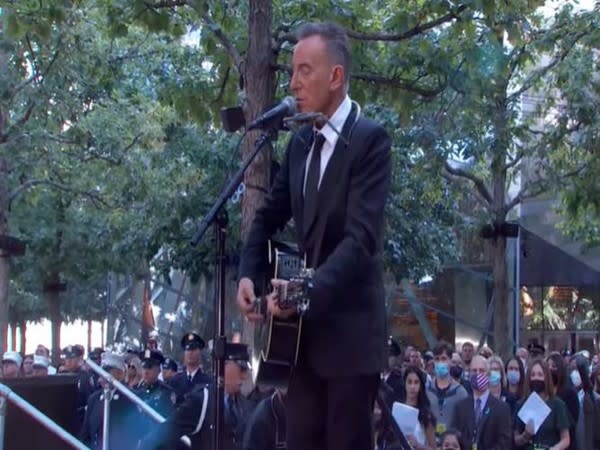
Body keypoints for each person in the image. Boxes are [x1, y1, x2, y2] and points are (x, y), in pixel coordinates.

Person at [236, 21, 391, 450]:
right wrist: (248, 274)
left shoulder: (370, 141)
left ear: (336, 77)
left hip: (351, 342)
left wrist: (300, 292)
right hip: (302, 342)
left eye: (305, 70)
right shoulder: (300, 143)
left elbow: (359, 242)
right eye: (291, 72)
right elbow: (265, 218)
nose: (294, 83)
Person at [80, 352, 139, 450]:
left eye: (107, 372)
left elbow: (135, 433)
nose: (102, 376)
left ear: (120, 374)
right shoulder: (94, 399)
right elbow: (86, 433)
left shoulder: (130, 398)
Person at [451, 355, 512, 450]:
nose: (478, 374)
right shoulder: (460, 407)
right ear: (469, 374)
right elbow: (455, 437)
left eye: (481, 371)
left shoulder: (502, 408)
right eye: (474, 371)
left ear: (488, 375)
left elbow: (505, 442)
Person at [514, 358, 570, 449]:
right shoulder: (521, 404)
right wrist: (526, 435)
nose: (536, 378)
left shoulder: (557, 405)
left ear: (546, 377)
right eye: (533, 375)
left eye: (540, 375)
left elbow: (566, 439)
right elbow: (516, 439)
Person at [425, 341, 467, 440]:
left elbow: (464, 424)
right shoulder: (426, 391)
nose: (440, 363)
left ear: (450, 361)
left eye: (444, 359)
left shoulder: (460, 393)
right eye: (437, 359)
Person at [168, 332, 211, 405]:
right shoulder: (175, 380)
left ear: (200, 352)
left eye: (193, 349)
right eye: (187, 349)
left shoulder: (208, 382)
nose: (190, 352)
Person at [547, 352, 578, 449]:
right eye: (547, 366)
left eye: (554, 366)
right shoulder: (543, 392)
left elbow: (572, 422)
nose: (550, 369)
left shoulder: (569, 393)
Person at [401, 367, 436, 450]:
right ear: (404, 384)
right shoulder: (397, 409)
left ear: (421, 386)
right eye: (409, 382)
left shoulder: (426, 415)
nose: (412, 386)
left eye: (416, 382)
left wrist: (418, 445)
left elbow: (433, 448)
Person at [61, 345, 96, 425]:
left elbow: (90, 401)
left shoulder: (85, 377)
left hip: (79, 418)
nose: (68, 361)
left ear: (79, 359)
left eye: (72, 358)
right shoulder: (61, 376)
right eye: (67, 358)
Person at [570, 355, 599, 450]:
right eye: (574, 370)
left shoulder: (595, 398)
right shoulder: (572, 395)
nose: (576, 374)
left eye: (579, 371)